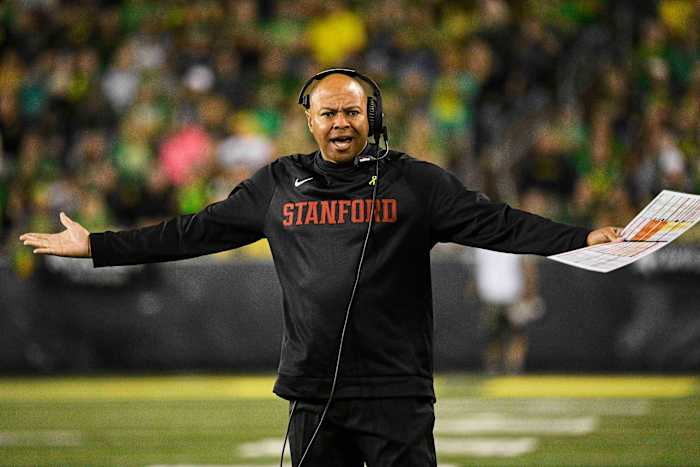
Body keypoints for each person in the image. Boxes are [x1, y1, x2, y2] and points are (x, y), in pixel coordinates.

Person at [20, 69, 622, 467]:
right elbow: (191, 233)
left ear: (372, 116)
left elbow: (504, 224)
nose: (341, 123)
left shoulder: (416, 182)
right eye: (329, 113)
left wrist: (583, 238)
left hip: (397, 391)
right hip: (314, 392)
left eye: (352, 113)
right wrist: (98, 247)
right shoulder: (277, 183)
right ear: (309, 118)